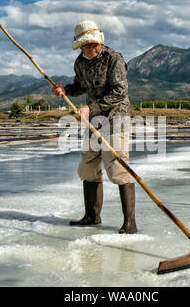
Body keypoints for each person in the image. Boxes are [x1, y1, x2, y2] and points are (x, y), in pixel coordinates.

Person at [52, 20, 136, 234]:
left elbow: (119, 92)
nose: (92, 47)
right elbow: (80, 86)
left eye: (94, 43)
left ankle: (130, 224)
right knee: (87, 166)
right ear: (80, 46)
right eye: (86, 45)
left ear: (100, 41)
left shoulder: (114, 58)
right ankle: (91, 216)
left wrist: (91, 108)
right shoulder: (80, 63)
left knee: (117, 167)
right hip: (93, 118)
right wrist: (64, 90)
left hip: (116, 117)